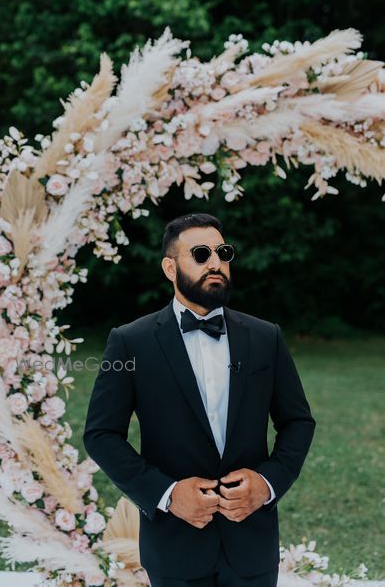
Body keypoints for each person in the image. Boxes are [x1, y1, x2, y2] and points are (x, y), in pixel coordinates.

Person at [83, 212, 316, 587]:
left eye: (223, 253)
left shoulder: (265, 337)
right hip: (174, 547)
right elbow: (101, 434)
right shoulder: (131, 342)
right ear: (170, 268)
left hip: (251, 545)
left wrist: (268, 483)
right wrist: (168, 494)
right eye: (201, 254)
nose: (216, 263)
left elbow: (298, 422)